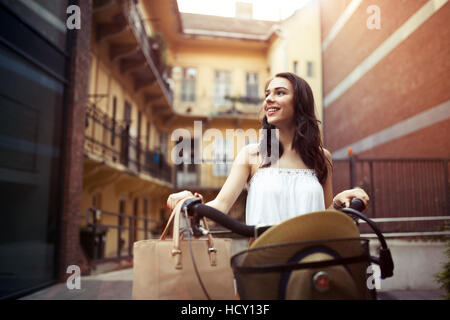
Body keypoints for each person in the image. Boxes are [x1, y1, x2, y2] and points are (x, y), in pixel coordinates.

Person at [167, 72, 369, 230]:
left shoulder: (321, 157)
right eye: (267, 94)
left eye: (279, 93)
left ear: (299, 102)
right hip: (264, 262)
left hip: (312, 260)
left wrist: (341, 201)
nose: (269, 100)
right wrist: (189, 203)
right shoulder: (251, 155)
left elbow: (325, 217)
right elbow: (221, 205)